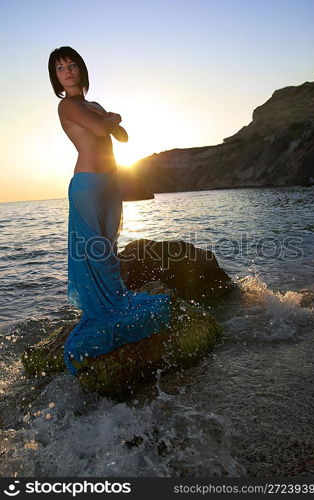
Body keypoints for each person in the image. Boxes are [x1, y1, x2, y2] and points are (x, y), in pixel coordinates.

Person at [48, 46, 171, 376]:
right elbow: (106, 130)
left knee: (110, 246)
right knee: (96, 250)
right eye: (60, 68)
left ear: (81, 70)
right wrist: (112, 119)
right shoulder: (67, 105)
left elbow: (123, 137)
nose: (68, 71)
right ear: (56, 77)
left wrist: (110, 119)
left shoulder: (94, 106)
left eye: (72, 65)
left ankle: (114, 301)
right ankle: (104, 310)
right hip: (86, 184)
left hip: (110, 183)